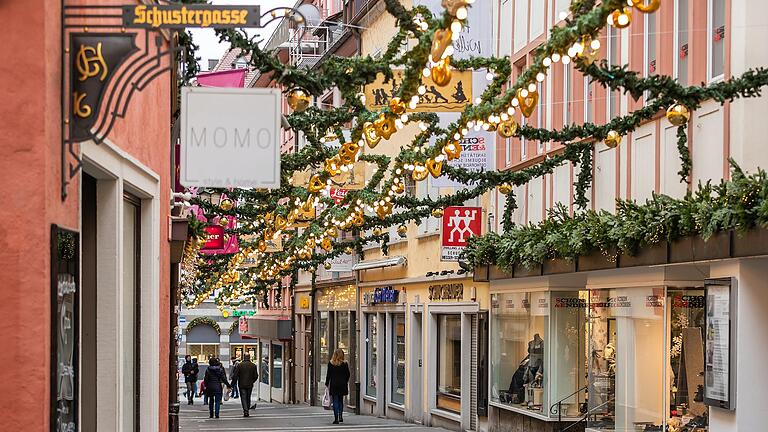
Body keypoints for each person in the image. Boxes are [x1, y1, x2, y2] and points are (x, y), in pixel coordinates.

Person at [325, 348, 351, 425]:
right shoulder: (345, 364)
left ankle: (336, 418)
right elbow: (348, 374)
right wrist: (345, 381)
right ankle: (340, 416)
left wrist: (327, 383)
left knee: (335, 401)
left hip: (334, 384)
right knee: (340, 401)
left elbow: (328, 375)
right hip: (342, 384)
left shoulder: (331, 363)